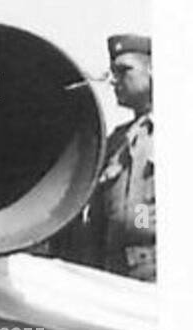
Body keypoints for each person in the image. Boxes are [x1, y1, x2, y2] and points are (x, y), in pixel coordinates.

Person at [79, 35, 156, 281]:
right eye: (112, 72)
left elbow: (143, 213)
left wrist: (141, 225)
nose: (114, 80)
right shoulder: (116, 142)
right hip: (115, 275)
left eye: (124, 71)